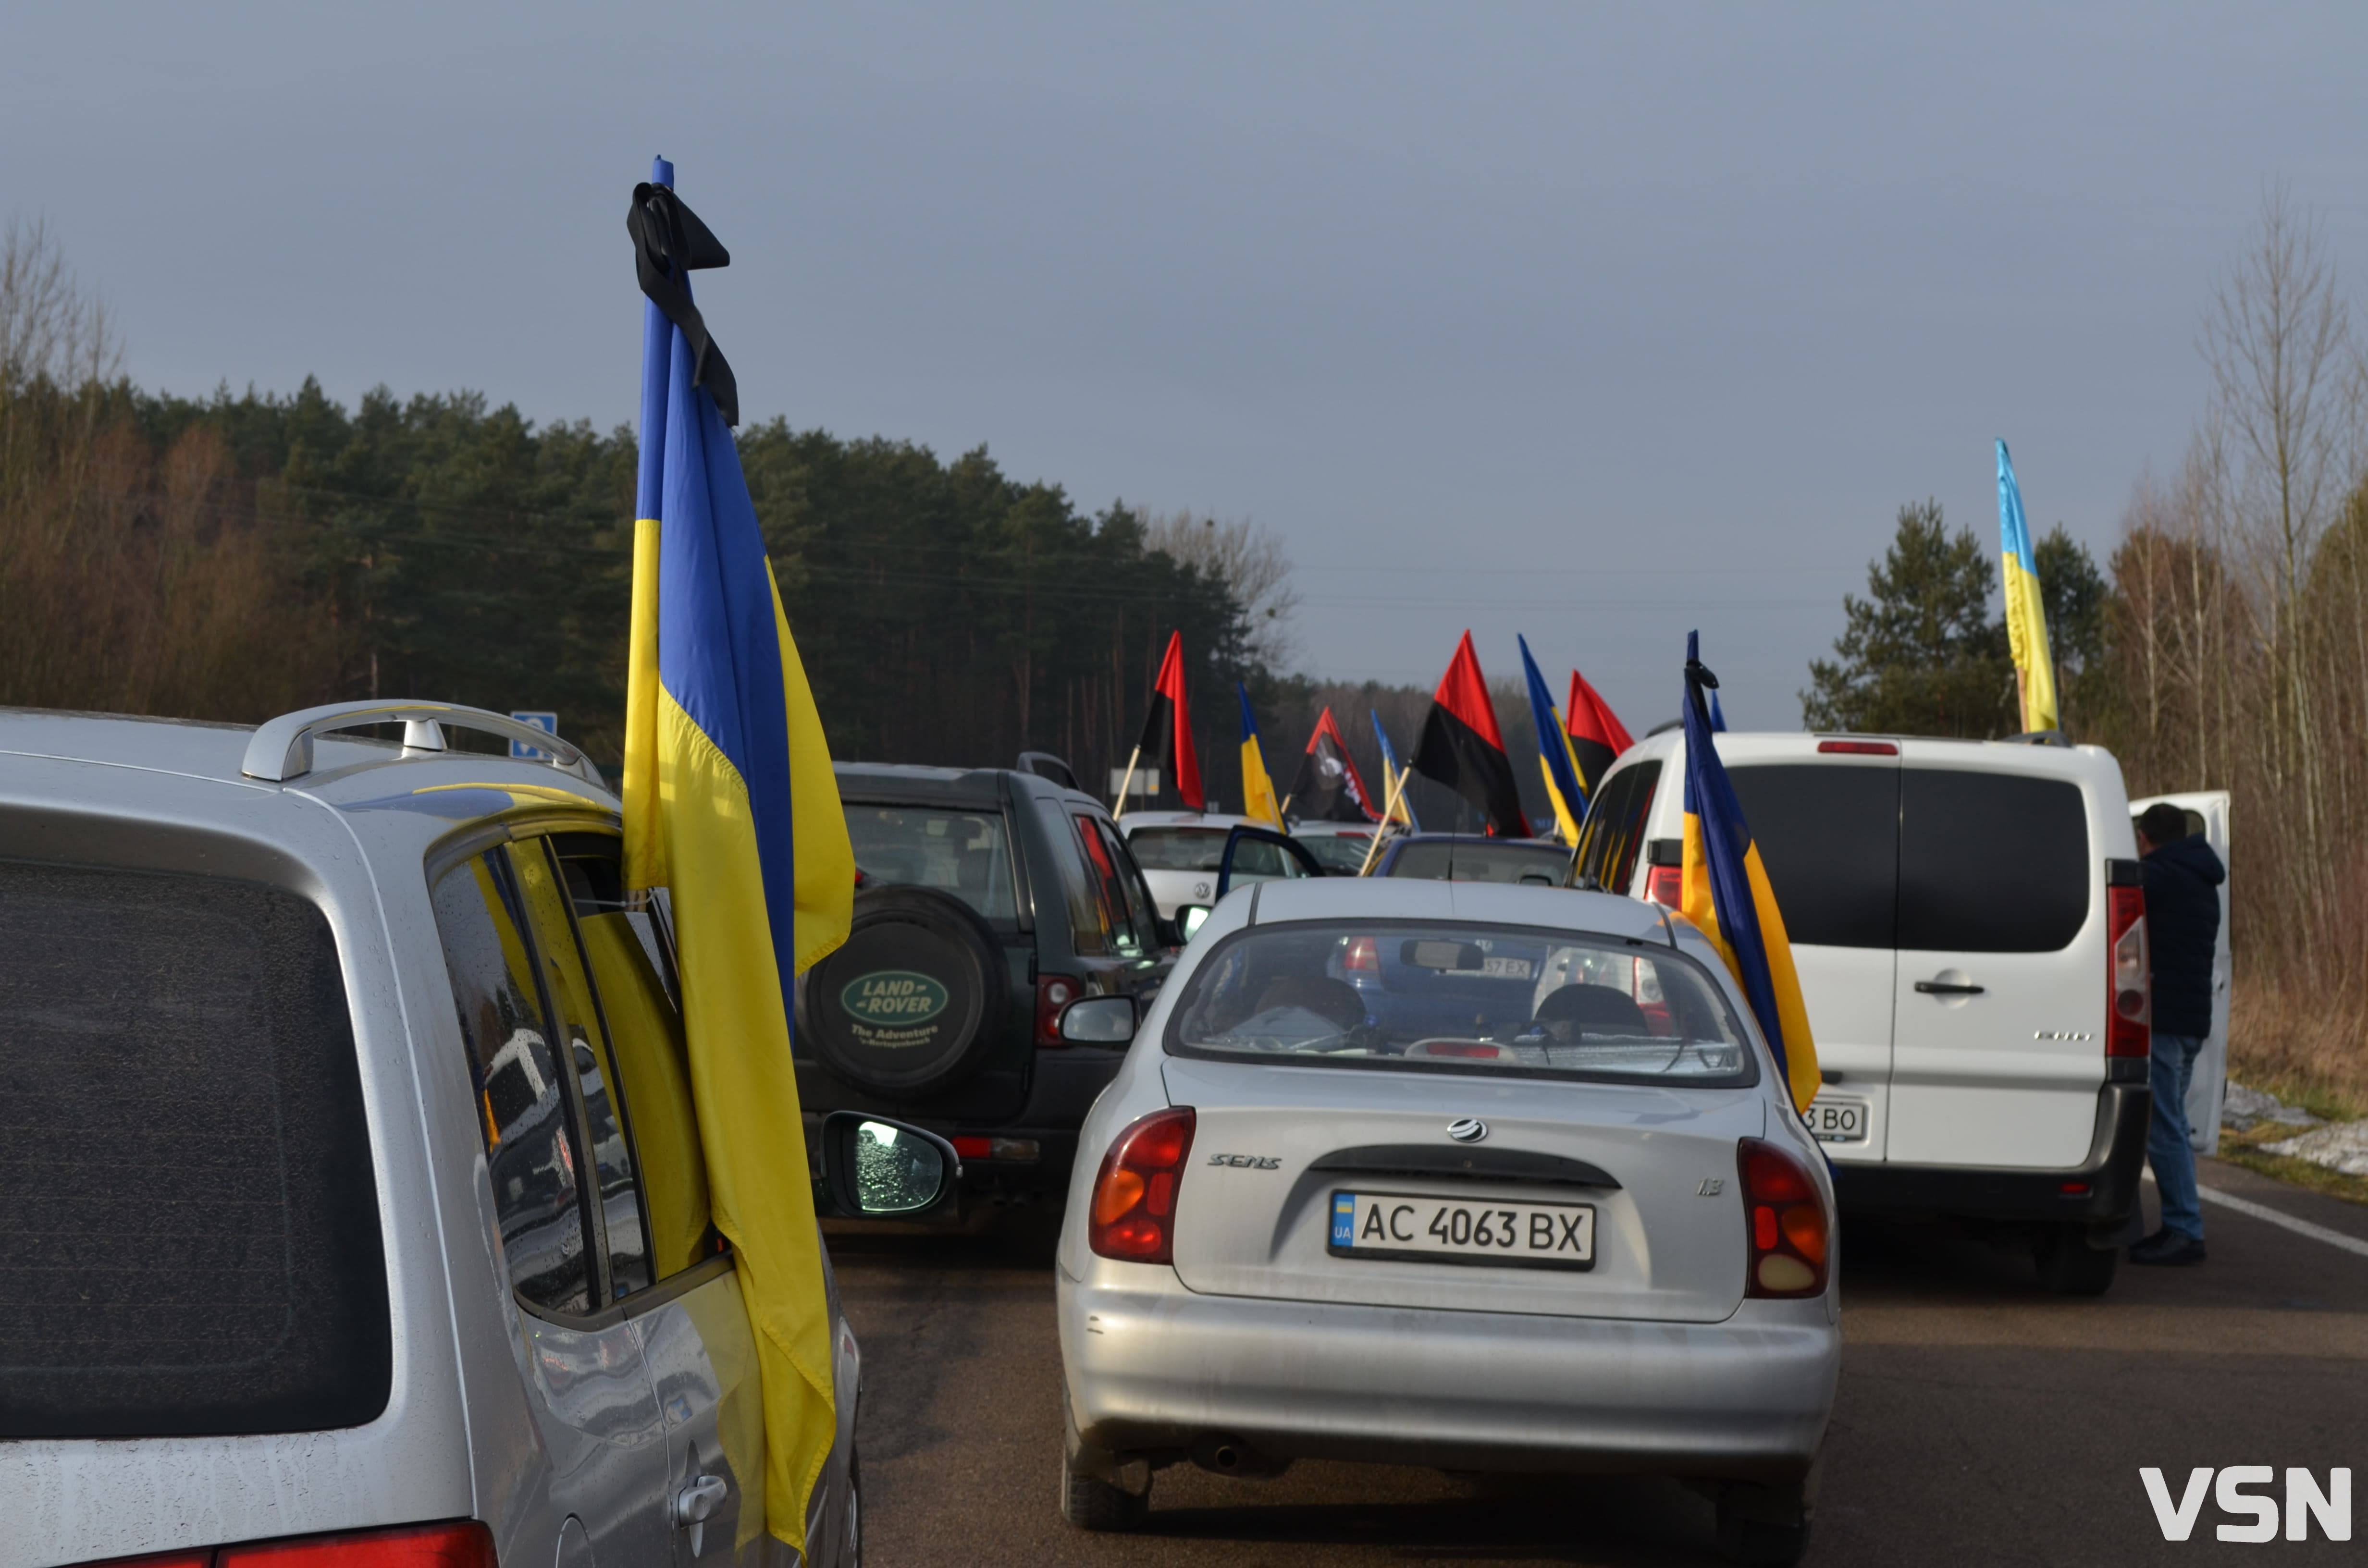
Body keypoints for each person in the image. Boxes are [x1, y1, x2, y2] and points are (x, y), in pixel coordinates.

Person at [2129, 801, 2225, 1267]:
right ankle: (2177, 1226)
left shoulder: (2159, 878)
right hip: (2190, 1022)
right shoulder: (2200, 880)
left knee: (2162, 1129)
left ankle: (2184, 1229)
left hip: (2164, 1021)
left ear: (2145, 840)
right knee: (2173, 1129)